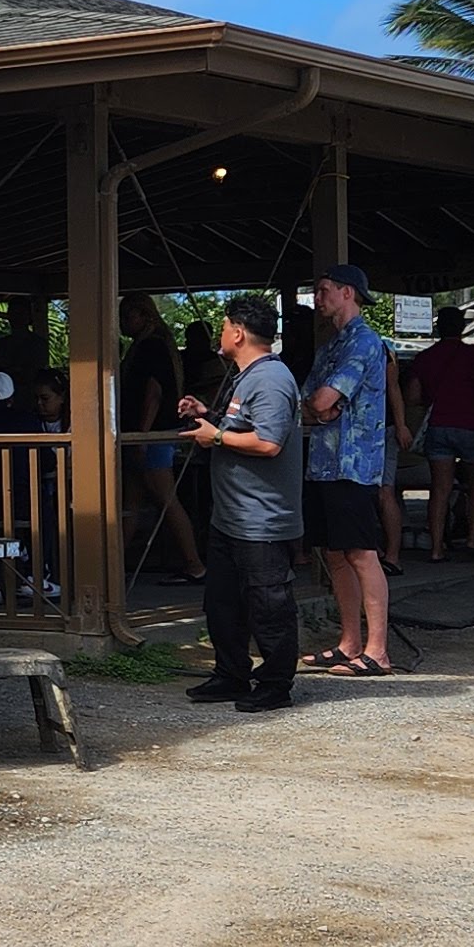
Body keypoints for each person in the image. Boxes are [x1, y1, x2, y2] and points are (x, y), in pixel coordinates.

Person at [177, 293, 302, 712]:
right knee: (223, 603)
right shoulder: (246, 376)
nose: (220, 334)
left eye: (224, 326)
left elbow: (268, 442)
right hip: (231, 516)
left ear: (238, 332)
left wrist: (214, 436)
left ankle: (276, 684)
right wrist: (208, 416)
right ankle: (231, 675)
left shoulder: (270, 379)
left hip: (262, 518)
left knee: (268, 605)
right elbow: (241, 427)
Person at [299, 262, 395, 674]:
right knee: (335, 554)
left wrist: (323, 408)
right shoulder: (330, 347)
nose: (317, 299)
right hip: (324, 462)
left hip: (354, 464)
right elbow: (308, 402)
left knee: (360, 552)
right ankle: (350, 642)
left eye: (324, 290)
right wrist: (322, 409)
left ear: (347, 293)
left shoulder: (365, 342)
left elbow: (321, 401)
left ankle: (378, 650)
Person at [117, 293, 205, 581]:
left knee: (166, 498)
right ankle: (114, 564)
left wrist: (143, 435)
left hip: (150, 434)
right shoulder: (154, 346)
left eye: (127, 316)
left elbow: (153, 393)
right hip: (144, 434)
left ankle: (194, 563)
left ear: (144, 316)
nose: (122, 323)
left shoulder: (151, 347)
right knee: (131, 502)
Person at [411, 307, 474, 559]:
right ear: (462, 328)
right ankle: (472, 540)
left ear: (438, 328)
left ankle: (437, 548)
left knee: (440, 489)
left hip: (438, 425)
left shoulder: (424, 357)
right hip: (471, 424)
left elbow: (413, 396)